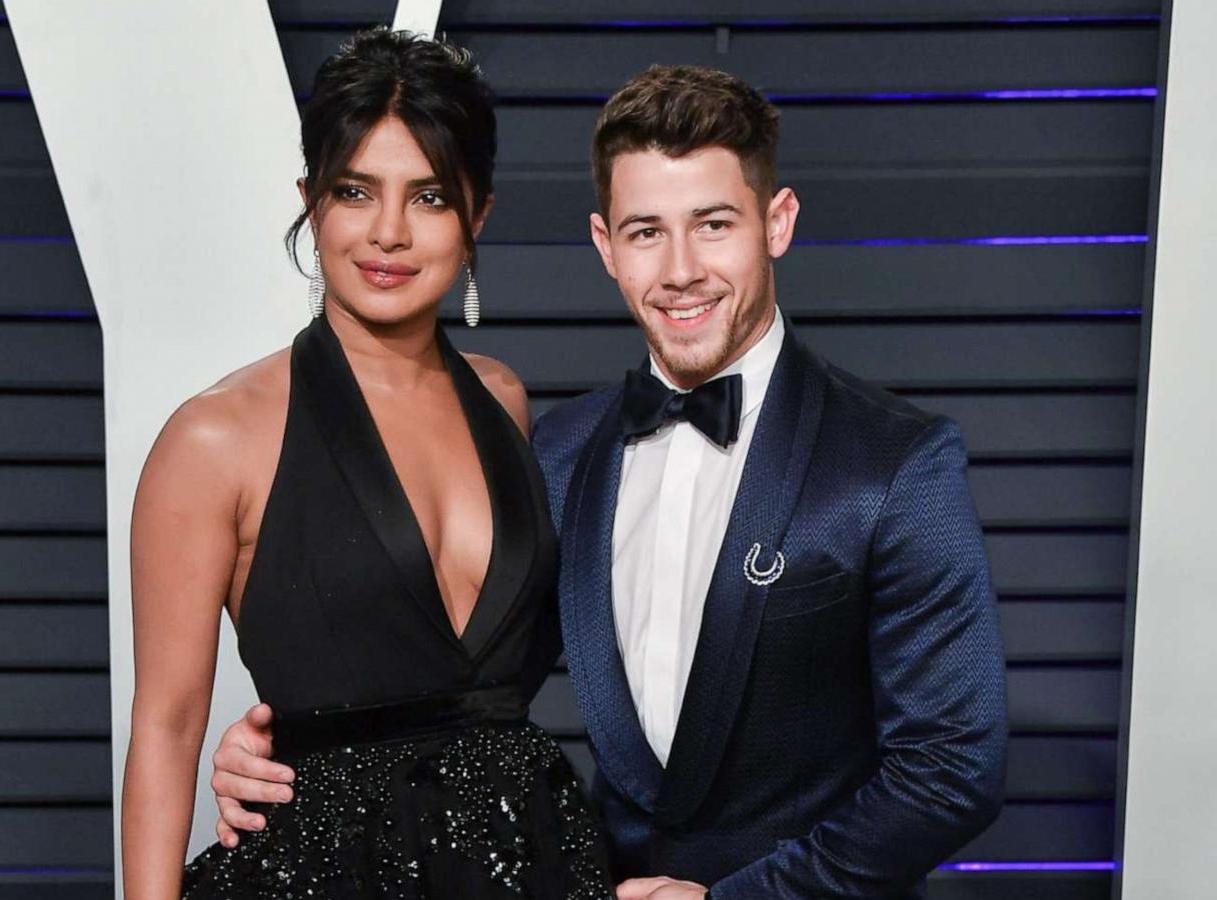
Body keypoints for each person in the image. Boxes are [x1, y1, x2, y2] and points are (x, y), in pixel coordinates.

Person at [207, 64, 1009, 899]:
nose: (681, 269)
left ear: (777, 222)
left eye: (713, 224)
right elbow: (455, 692)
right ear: (604, 247)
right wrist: (291, 749)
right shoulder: (556, 452)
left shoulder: (896, 463)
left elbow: (953, 768)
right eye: (645, 232)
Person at [122, 28, 613, 899]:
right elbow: (165, 730)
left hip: (530, 858)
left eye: (428, 197)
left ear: (478, 215)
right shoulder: (212, 441)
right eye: (356, 191)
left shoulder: (502, 399)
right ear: (311, 203)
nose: (388, 233)